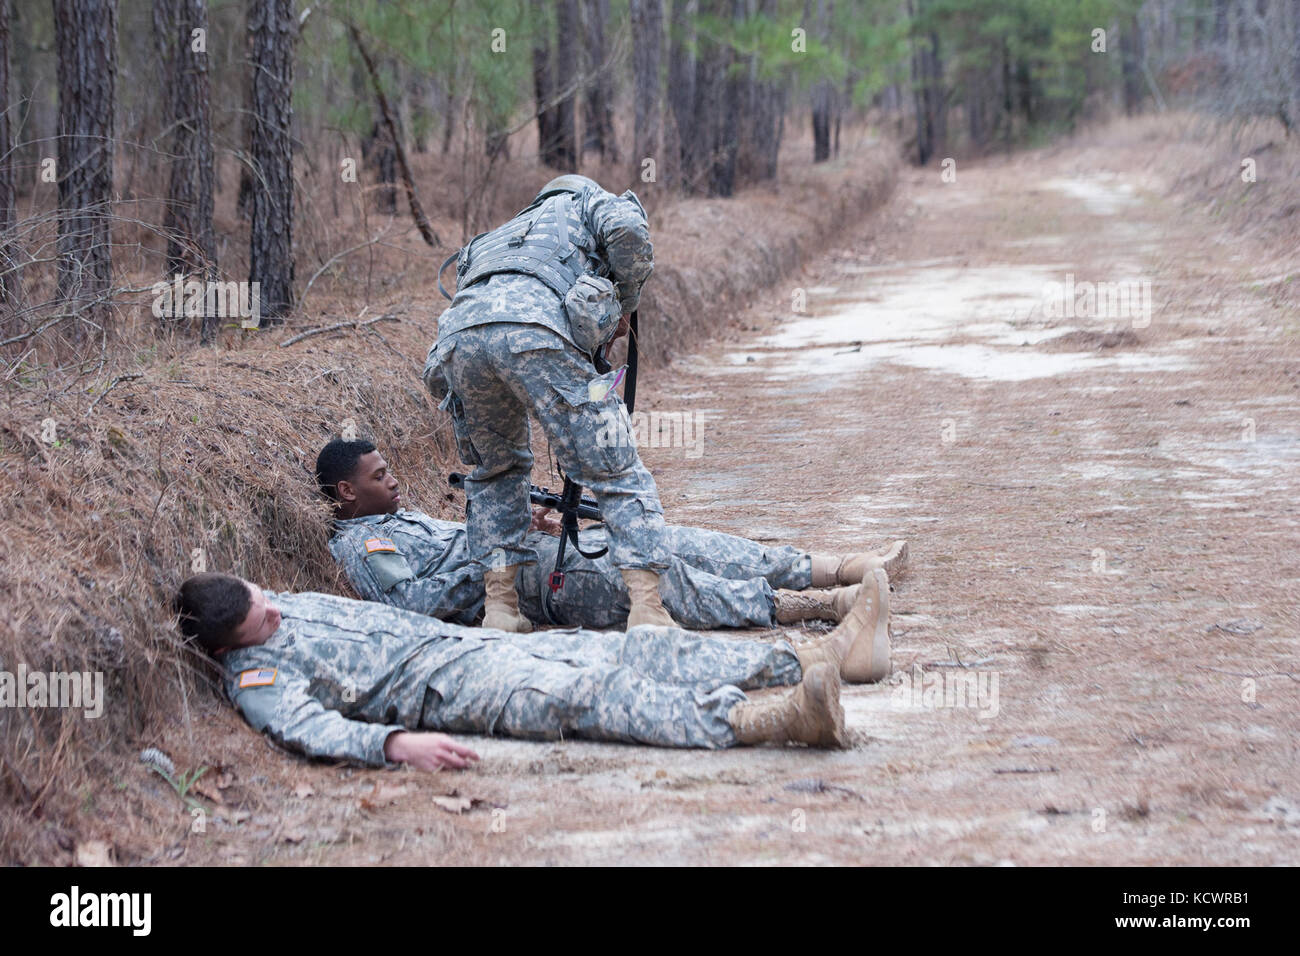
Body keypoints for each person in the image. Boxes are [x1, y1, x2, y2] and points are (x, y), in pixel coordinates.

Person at [174, 567, 893, 770]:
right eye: (261, 619)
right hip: (455, 690)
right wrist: (395, 743)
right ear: (227, 649)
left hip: (475, 648)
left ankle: (815, 656)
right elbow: (307, 730)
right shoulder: (256, 680)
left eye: (265, 598)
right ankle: (776, 719)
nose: (277, 611)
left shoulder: (265, 603)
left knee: (631, 646)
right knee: (588, 692)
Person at [422, 174, 676, 634]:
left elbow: (465, 288)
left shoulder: (498, 234)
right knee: (614, 467)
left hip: (458, 343)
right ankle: (647, 609)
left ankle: (501, 609)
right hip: (536, 333)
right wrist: (623, 302)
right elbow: (629, 233)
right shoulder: (589, 202)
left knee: (495, 471)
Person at [315, 436, 908, 630]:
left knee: (674, 542)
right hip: (539, 586)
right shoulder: (364, 544)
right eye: (379, 475)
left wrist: (523, 525)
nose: (394, 481)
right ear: (346, 492)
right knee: (658, 583)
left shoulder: (398, 520)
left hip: (539, 556)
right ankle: (822, 604)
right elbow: (411, 603)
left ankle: (837, 565)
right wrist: (497, 550)